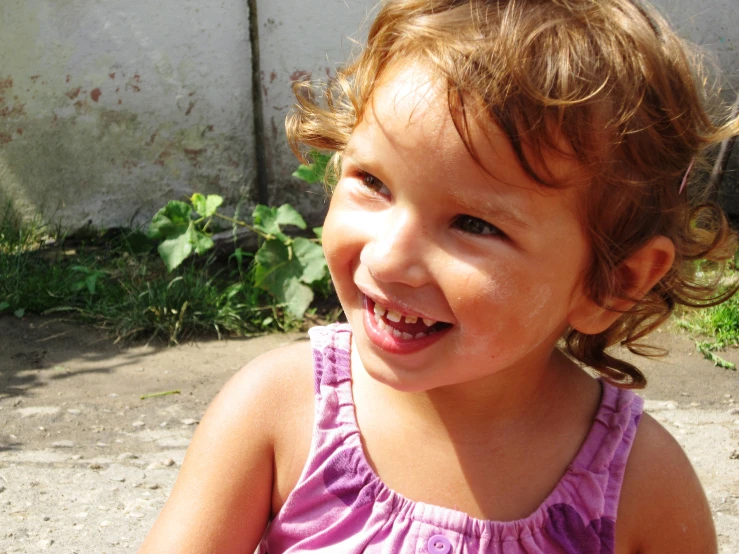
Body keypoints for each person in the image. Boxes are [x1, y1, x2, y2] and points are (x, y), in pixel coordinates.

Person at [139, 0, 739, 552]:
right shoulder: (277, 413)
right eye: (372, 182)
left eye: (474, 224)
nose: (387, 259)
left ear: (612, 281)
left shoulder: (641, 487)